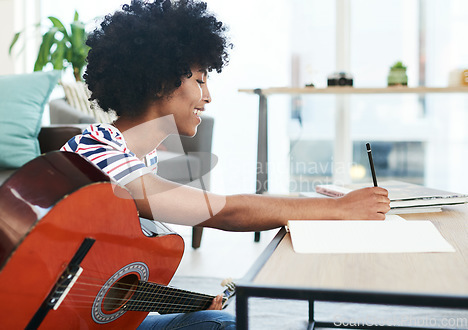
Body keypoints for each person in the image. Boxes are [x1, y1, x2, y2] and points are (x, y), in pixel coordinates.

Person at [61, 0, 390, 328]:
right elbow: (221, 211)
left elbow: (101, 269)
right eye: (200, 81)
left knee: (217, 319)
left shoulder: (140, 156)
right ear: (160, 82)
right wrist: (340, 209)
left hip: (97, 316)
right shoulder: (97, 151)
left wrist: (171, 300)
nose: (208, 95)